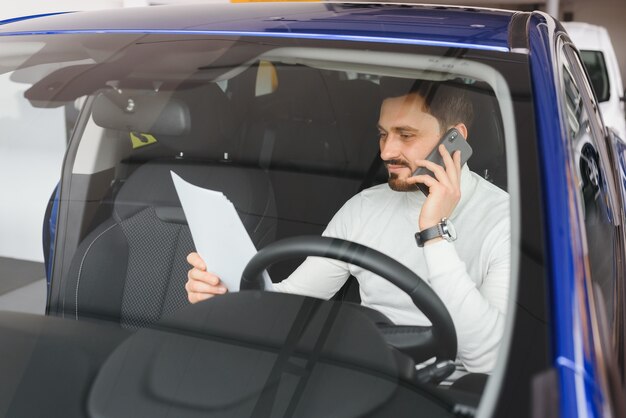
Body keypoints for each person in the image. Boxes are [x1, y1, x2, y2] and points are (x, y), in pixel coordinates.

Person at [185, 79, 510, 375]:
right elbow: (292, 301)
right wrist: (228, 296)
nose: (386, 151)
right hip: (363, 379)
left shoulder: (504, 219)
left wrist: (434, 231)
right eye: (383, 134)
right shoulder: (365, 207)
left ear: (455, 138)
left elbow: (487, 359)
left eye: (406, 135)